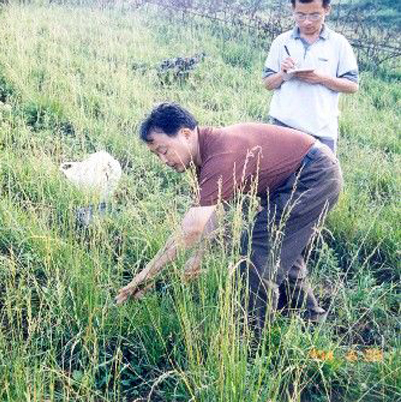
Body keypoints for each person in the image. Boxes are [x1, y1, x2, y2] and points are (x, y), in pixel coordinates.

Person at [115, 103, 343, 335]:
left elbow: (191, 229)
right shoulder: (203, 154)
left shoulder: (220, 155)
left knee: (257, 249)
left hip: (314, 174)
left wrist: (145, 275)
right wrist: (197, 256)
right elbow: (213, 211)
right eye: (156, 155)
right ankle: (311, 318)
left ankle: (253, 338)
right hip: (300, 176)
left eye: (164, 151)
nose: (163, 161)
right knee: (278, 244)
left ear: (185, 134)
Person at [263, 0, 359, 154]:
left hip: (321, 131)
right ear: (293, 10)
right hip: (282, 126)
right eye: (300, 15)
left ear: (327, 10)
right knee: (278, 177)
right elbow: (267, 84)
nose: (307, 22)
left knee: (321, 177)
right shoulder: (281, 42)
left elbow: (353, 85)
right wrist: (282, 74)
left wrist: (323, 79)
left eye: (315, 15)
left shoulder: (339, 44)